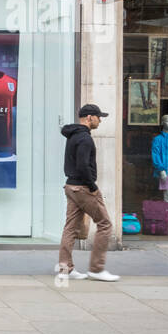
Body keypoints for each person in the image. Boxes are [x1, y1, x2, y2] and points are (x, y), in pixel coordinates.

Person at [57, 103, 116, 281]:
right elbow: (83, 165)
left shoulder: (73, 136)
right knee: (105, 225)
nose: (100, 121)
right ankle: (97, 269)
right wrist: (93, 186)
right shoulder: (84, 138)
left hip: (71, 186)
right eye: (99, 117)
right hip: (83, 188)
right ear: (89, 118)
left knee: (70, 228)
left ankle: (65, 269)